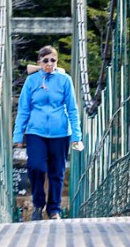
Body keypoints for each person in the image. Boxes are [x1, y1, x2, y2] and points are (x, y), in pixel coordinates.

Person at [13, 45, 83, 220]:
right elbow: (23, 109)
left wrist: (76, 136)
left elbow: (72, 109)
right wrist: (18, 135)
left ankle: (54, 209)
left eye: (53, 60)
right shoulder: (32, 81)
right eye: (46, 60)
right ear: (39, 62)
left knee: (56, 172)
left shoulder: (65, 80)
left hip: (60, 133)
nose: (50, 63)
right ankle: (38, 204)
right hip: (35, 131)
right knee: (35, 167)